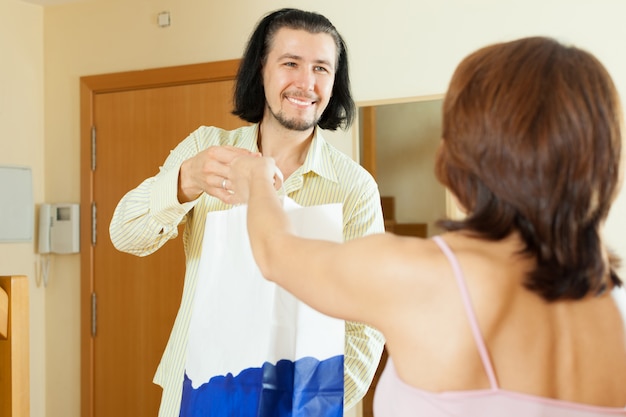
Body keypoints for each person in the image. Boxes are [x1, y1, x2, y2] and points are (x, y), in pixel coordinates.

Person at [226, 36, 626, 416]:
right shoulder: (617, 302)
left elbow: (275, 253)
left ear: (467, 149)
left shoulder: (425, 276)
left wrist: (258, 177)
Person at [109, 7, 386, 416]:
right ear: (262, 70)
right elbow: (125, 234)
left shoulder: (354, 187)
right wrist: (186, 180)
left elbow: (367, 323)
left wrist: (311, 402)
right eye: (290, 63)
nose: (306, 83)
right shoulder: (208, 148)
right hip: (197, 391)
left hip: (300, 402)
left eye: (321, 68)